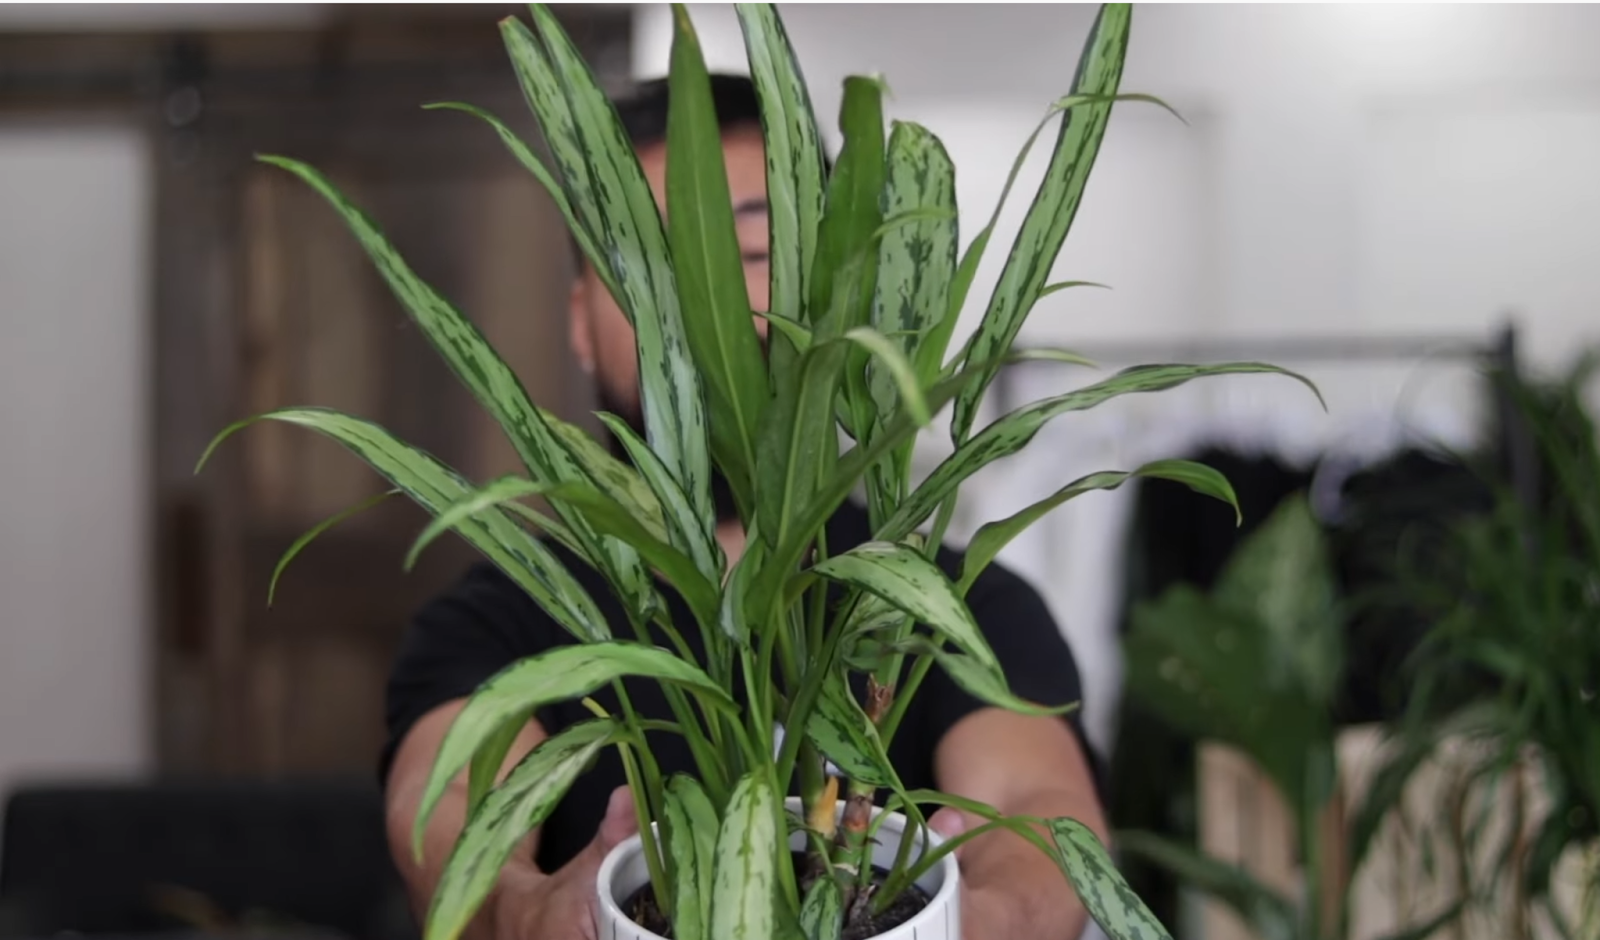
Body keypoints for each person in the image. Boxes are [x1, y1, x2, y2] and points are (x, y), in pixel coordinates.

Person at [379, 74, 1108, 940]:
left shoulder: (953, 603)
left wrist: (962, 922)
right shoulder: (502, 620)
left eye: (753, 258)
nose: (708, 310)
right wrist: (528, 912)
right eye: (650, 269)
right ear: (580, 320)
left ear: (836, 295)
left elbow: (1036, 811)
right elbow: (455, 797)